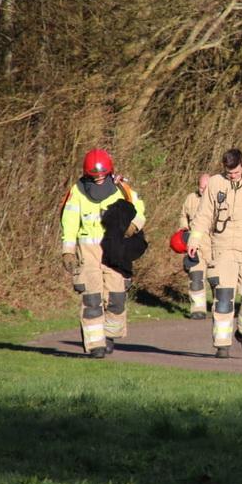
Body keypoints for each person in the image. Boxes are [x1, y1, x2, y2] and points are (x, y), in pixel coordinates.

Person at [187, 149, 242, 358]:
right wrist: (194, 239)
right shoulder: (215, 183)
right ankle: (222, 344)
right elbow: (204, 214)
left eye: (236, 173)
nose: (232, 176)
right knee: (223, 297)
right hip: (223, 248)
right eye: (229, 173)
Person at [61, 148, 146, 357]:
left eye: (102, 175)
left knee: (116, 298)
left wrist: (134, 225)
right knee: (92, 298)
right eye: (95, 175)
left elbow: (140, 210)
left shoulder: (121, 189)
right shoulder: (77, 192)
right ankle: (95, 344)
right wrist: (68, 251)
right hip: (88, 252)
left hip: (115, 250)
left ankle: (109, 334)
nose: (99, 179)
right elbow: (69, 223)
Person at [179, 173, 211, 319]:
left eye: (206, 187)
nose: (203, 190)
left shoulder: (219, 199)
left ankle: (220, 307)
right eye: (201, 187)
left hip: (213, 245)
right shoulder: (191, 198)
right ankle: (198, 309)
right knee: (196, 277)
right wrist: (184, 228)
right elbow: (183, 216)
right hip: (194, 245)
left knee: (216, 279)